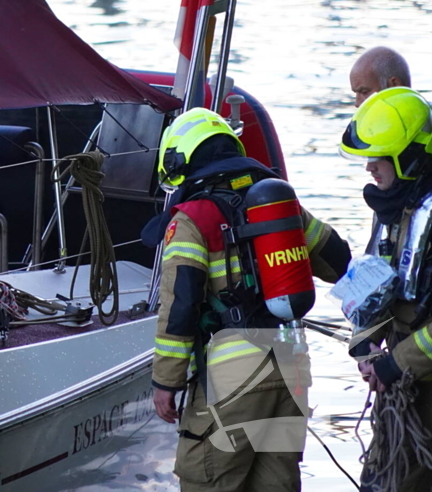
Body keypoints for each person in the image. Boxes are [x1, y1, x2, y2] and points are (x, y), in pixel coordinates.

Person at [143, 107, 351, 492]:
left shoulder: (191, 220)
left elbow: (181, 305)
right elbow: (339, 261)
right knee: (276, 483)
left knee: (206, 477)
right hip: (291, 368)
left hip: (232, 378)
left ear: (181, 160)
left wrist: (165, 382)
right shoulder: (276, 204)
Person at [339, 87, 432, 492]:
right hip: (403, 386)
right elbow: (375, 288)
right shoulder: (396, 207)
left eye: (378, 158)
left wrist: (397, 363)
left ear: (410, 158)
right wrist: (363, 345)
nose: (368, 169)